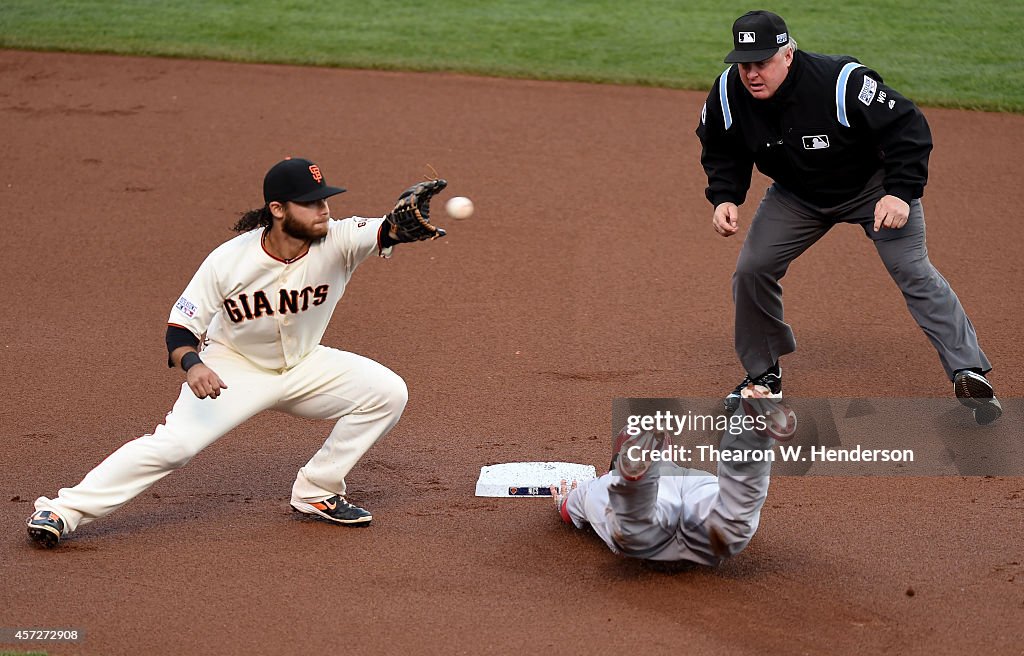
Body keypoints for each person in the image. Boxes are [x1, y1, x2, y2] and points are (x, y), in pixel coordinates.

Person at [26, 157, 447, 548]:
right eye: (311, 203)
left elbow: (386, 229)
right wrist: (193, 365)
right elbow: (179, 329)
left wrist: (398, 227)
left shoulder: (339, 238)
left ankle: (317, 490)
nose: (324, 210)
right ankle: (62, 510)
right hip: (234, 369)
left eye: (325, 201)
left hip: (305, 364)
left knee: (387, 392)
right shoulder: (228, 261)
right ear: (278, 210)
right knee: (175, 446)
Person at [695, 10, 1001, 425]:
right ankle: (763, 376)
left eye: (762, 62)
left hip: (873, 190)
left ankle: (969, 371)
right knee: (752, 269)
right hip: (797, 197)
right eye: (745, 64)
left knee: (912, 269)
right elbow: (720, 146)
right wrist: (725, 196)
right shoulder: (729, 92)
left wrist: (899, 192)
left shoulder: (841, 81)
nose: (751, 73)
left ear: (788, 54)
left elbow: (908, 127)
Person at [551, 389, 792, 566]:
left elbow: (567, 509)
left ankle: (637, 491)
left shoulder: (602, 484)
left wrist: (563, 501)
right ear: (672, 453)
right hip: (705, 530)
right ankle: (752, 439)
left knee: (640, 522)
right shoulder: (698, 479)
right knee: (736, 509)